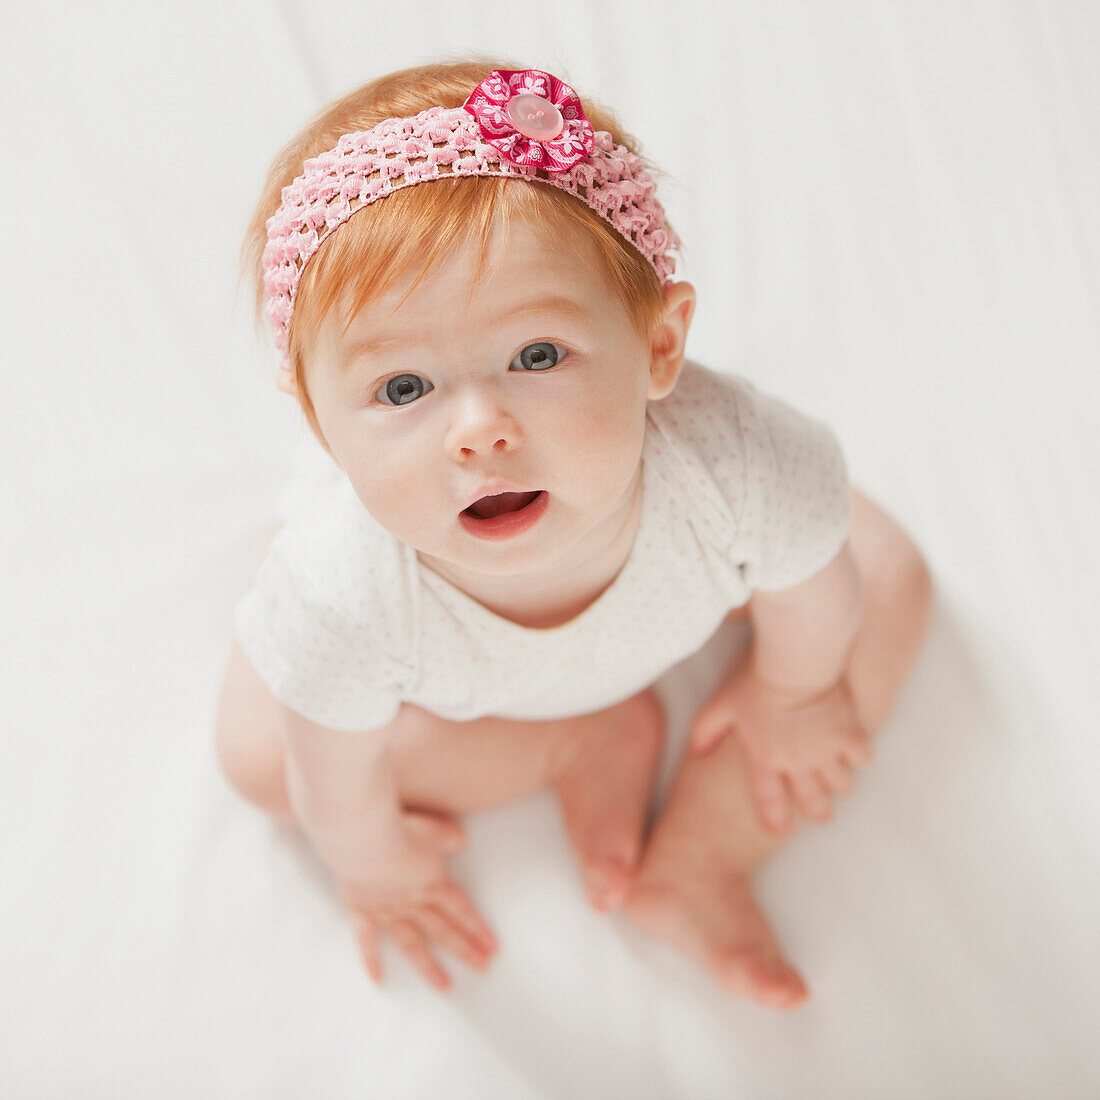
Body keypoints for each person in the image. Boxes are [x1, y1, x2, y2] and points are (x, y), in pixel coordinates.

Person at [215, 58, 934, 1010]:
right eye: (402, 390)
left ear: (659, 347)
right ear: (318, 423)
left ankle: (703, 855)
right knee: (267, 760)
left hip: (681, 569)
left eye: (538, 355)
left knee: (882, 580)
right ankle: (571, 745)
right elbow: (337, 790)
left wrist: (793, 691)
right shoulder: (340, 596)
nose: (478, 429)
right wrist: (373, 860)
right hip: (445, 676)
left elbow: (816, 584)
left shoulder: (738, 463)